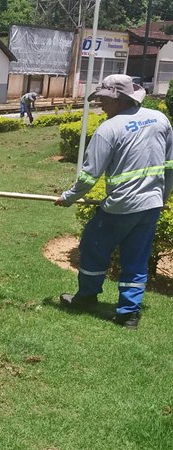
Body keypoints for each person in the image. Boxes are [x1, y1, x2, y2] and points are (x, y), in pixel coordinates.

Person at [55, 74, 173, 329]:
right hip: (151, 205)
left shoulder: (109, 129)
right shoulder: (160, 119)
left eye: (104, 99)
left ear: (119, 99)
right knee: (136, 257)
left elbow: (89, 176)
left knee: (93, 245)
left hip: (121, 207)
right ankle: (129, 314)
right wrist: (161, 198)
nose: (100, 104)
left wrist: (68, 197)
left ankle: (86, 297)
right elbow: (170, 166)